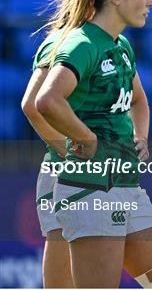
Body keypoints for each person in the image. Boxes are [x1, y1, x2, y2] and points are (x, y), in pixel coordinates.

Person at [34, 0, 152, 288]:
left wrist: (141, 137)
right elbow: (44, 102)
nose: (151, 1)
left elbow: (139, 102)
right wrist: (83, 140)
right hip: (89, 188)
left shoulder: (120, 45)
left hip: (126, 185)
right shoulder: (80, 43)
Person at [21, 29, 72, 287]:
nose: (150, 2)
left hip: (105, 174)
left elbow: (134, 100)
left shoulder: (115, 43)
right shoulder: (61, 41)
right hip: (65, 173)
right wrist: (71, 153)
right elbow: (31, 104)